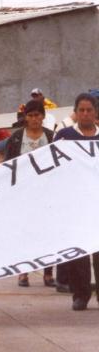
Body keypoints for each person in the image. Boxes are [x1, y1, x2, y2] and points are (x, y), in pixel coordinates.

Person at [54, 92, 99, 311]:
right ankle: (80, 295)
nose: (85, 114)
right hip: (74, 203)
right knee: (78, 252)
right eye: (81, 110)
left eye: (89, 110)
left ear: (95, 112)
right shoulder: (64, 136)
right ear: (75, 112)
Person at [3, 100, 55, 288]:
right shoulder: (16, 138)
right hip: (22, 194)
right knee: (23, 233)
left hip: (46, 194)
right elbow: (7, 165)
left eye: (37, 115)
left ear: (43, 116)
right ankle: (23, 272)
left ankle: (48, 272)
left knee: (48, 233)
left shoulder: (52, 136)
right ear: (25, 117)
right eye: (31, 115)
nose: (34, 119)